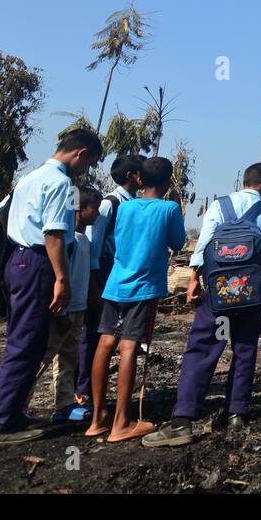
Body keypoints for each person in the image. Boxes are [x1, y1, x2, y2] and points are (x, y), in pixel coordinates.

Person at [144, 163, 261, 448]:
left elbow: (204, 244)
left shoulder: (220, 206)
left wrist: (195, 280)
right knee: (244, 350)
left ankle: (183, 420)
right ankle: (236, 413)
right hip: (250, 297)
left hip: (217, 296)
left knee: (202, 348)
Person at [0, 128, 102, 446]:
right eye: (89, 163)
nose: (85, 170)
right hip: (36, 263)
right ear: (80, 153)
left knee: (30, 344)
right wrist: (62, 278)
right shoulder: (60, 183)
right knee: (24, 345)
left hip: (17, 262)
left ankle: (14, 412)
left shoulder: (29, 179)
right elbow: (54, 235)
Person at [87, 157, 184, 443]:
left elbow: (117, 241)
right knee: (129, 347)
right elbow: (177, 243)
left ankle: (97, 418)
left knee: (105, 343)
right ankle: (122, 422)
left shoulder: (125, 206)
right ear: (168, 182)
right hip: (143, 287)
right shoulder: (169, 208)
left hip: (115, 283)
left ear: (139, 179)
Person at [77, 153, 144, 408]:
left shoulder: (133, 204)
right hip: (103, 275)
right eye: (140, 173)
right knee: (94, 334)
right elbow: (94, 248)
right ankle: (84, 391)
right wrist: (94, 287)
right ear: (131, 176)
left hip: (120, 275)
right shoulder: (110, 204)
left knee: (111, 336)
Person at [31, 186, 100, 423]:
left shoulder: (84, 240)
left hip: (78, 308)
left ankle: (64, 404)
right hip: (63, 308)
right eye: (95, 208)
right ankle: (17, 403)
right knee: (43, 357)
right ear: (81, 209)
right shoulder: (66, 240)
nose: (98, 214)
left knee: (68, 359)